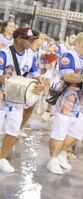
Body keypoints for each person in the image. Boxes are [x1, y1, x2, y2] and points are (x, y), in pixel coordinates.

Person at [46, 32, 83, 175]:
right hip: (65, 101)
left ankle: (62, 154)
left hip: (81, 104)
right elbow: (67, 76)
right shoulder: (69, 56)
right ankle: (52, 160)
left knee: (77, 133)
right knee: (59, 132)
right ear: (78, 43)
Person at [0, 26, 43, 173]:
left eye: (33, 40)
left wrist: (39, 86)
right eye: (29, 39)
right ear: (18, 39)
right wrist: (8, 80)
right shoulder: (4, 53)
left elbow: (36, 76)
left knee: (13, 131)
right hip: (1, 98)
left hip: (16, 101)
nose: (32, 42)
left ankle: (2, 158)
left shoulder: (30, 56)